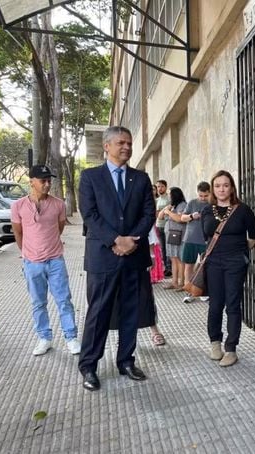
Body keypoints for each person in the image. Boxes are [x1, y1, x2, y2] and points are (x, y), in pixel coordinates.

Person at [78, 126, 155, 391]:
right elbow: (89, 214)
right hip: (103, 257)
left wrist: (131, 240)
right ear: (107, 146)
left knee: (131, 313)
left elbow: (148, 214)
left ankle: (126, 361)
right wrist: (115, 240)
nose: (127, 147)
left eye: (130, 143)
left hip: (133, 256)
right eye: (121, 143)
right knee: (98, 313)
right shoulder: (90, 177)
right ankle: (89, 366)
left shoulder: (141, 179)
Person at [10, 165, 81, 356]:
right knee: (38, 303)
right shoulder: (18, 206)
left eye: (49, 180)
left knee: (64, 300)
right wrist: (27, 252)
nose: (47, 184)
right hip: (32, 263)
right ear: (31, 181)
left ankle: (71, 337)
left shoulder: (58, 204)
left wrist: (48, 247)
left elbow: (58, 229)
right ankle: (44, 337)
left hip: (55, 260)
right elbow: (18, 232)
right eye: (43, 181)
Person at [201, 170, 255, 367]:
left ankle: (231, 348)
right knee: (215, 304)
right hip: (214, 263)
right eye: (217, 186)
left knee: (233, 304)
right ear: (213, 189)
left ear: (232, 187)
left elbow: (254, 236)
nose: (221, 189)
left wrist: (239, 251)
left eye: (225, 185)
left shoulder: (243, 210)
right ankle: (215, 342)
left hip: (235, 262)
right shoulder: (207, 211)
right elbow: (205, 236)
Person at [179, 181, 210, 303]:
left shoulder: (211, 204)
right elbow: (182, 218)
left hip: (205, 240)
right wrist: (192, 216)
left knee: (206, 267)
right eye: (201, 195)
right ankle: (189, 291)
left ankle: (204, 291)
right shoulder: (192, 203)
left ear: (209, 193)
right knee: (188, 266)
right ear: (197, 192)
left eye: (205, 196)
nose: (203, 198)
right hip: (190, 239)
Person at [161, 187, 187, 290]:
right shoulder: (172, 206)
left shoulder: (183, 205)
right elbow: (160, 217)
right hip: (170, 235)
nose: (168, 196)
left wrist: (169, 212)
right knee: (173, 258)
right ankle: (174, 281)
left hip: (179, 234)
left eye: (170, 194)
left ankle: (182, 282)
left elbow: (179, 219)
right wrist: (165, 209)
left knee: (179, 258)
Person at [155, 179, 171, 276]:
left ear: (165, 187)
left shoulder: (169, 198)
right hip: (158, 225)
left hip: (167, 226)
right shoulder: (157, 200)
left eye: (161, 186)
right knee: (162, 248)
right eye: (158, 187)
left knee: (168, 247)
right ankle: (166, 267)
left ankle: (170, 268)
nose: (159, 188)